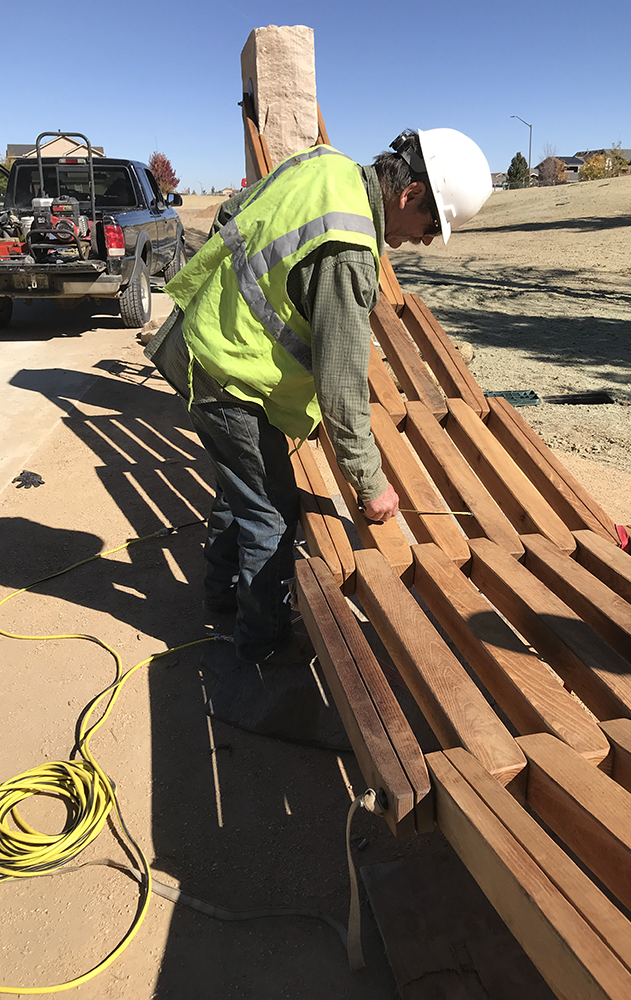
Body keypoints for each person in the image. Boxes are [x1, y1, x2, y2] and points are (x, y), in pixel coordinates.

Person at [145, 128, 492, 693]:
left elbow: (230, 216)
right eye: (432, 225)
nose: (428, 241)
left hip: (205, 342)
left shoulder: (326, 168)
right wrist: (370, 485)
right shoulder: (349, 251)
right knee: (272, 514)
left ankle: (222, 598)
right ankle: (262, 646)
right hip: (228, 374)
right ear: (410, 194)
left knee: (243, 487)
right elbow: (341, 387)